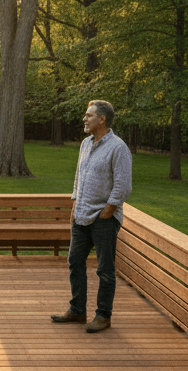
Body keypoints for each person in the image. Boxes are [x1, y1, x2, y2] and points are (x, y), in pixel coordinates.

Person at [51, 100, 132, 333]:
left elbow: (123, 185)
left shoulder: (118, 147)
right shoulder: (85, 144)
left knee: (104, 270)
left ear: (102, 119)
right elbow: (79, 177)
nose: (84, 119)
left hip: (103, 219)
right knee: (75, 262)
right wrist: (74, 202)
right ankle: (77, 310)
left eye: (89, 115)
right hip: (81, 214)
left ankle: (103, 316)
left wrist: (108, 210)